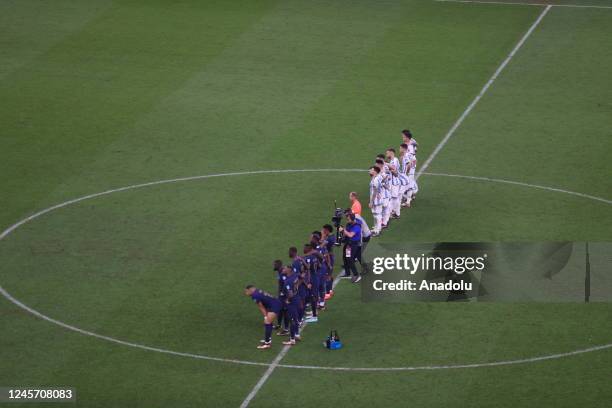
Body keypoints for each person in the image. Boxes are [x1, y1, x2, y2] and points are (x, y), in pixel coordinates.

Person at [244, 285, 283, 349]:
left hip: (274, 306)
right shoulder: (257, 291)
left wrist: (265, 316)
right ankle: (268, 340)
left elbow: (261, 307)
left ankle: (267, 343)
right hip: (274, 303)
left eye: (246, 291)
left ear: (250, 290)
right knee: (269, 323)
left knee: (267, 322)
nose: (246, 293)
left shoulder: (255, 295)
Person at [279, 266, 302, 346]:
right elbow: (301, 277)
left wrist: (288, 299)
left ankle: (292, 339)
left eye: (284, 269)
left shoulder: (288, 281)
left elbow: (290, 294)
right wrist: (297, 286)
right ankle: (297, 334)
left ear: (288, 271)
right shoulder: (295, 275)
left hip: (292, 302)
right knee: (296, 318)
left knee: (292, 320)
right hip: (297, 299)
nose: (283, 269)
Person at [339, 212, 362, 283]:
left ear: (352, 219)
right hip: (348, 244)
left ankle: (356, 275)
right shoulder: (350, 224)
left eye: (348, 219)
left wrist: (343, 230)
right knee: (346, 257)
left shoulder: (356, 226)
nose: (347, 220)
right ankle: (347, 273)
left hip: (353, 245)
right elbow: (346, 232)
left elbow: (350, 235)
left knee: (349, 258)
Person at [386, 148, 402, 219]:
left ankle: (397, 214)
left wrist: (386, 164)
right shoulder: (392, 160)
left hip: (395, 183)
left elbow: (394, 171)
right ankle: (394, 212)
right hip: (392, 183)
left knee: (395, 198)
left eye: (387, 153)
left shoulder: (395, 160)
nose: (386, 155)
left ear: (391, 153)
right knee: (393, 198)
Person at [321, 224, 336, 299]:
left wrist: (322, 237)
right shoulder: (331, 236)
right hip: (330, 256)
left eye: (323, 230)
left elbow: (321, 245)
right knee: (329, 274)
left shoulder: (329, 238)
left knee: (328, 275)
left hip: (329, 257)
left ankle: (327, 293)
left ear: (327, 230)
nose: (322, 231)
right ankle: (330, 290)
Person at [369, 165, 384, 235]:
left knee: (377, 215)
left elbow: (375, 191)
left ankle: (378, 230)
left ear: (375, 171)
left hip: (376, 200)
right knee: (375, 214)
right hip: (377, 199)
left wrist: (371, 202)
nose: (369, 171)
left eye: (371, 170)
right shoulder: (377, 177)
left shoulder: (375, 180)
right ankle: (376, 228)